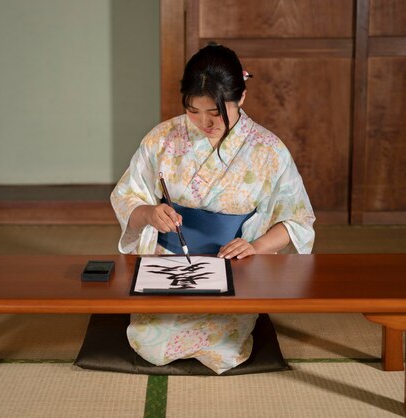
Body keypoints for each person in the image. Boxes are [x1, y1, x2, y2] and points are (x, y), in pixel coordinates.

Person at [110, 43, 315, 374]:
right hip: (169, 263)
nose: (203, 122)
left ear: (241, 97)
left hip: (235, 265)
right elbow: (127, 195)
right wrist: (150, 214)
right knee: (149, 340)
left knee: (226, 346)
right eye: (193, 110)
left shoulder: (268, 150)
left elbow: (297, 218)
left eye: (215, 112)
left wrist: (256, 246)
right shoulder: (162, 138)